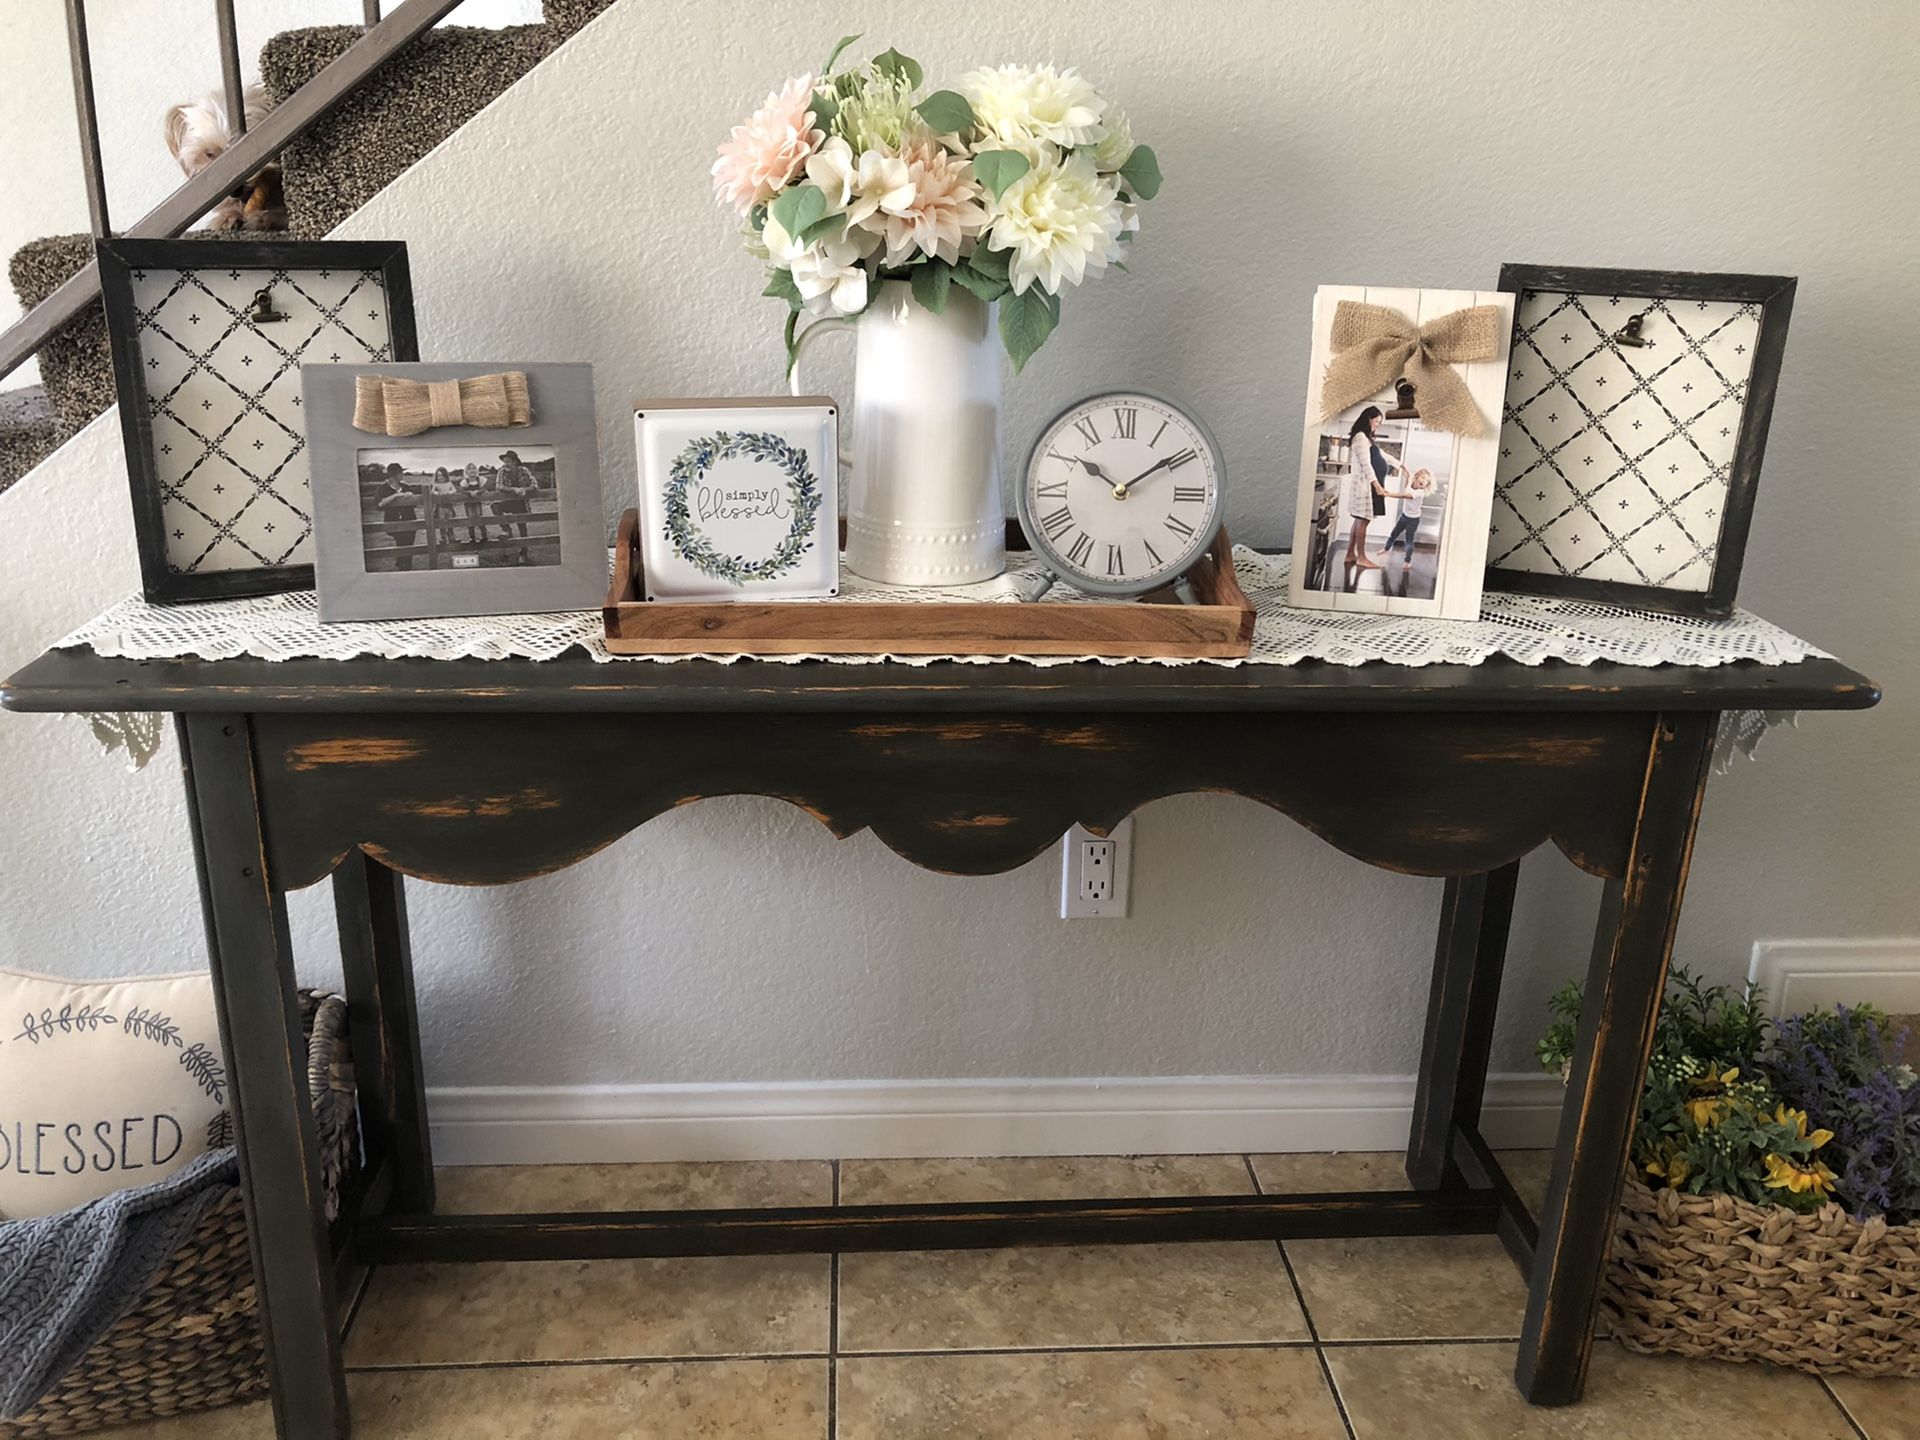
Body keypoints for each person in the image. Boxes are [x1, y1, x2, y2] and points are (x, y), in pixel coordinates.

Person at [1341, 407, 1418, 575]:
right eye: (1377, 421)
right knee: (1363, 520)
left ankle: (1349, 554)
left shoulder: (1366, 438)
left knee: (1359, 520)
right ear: (1368, 418)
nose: (1378, 425)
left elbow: (1382, 455)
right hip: (1364, 486)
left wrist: (1401, 465)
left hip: (1366, 485)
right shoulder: (1361, 437)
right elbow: (1366, 464)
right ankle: (1361, 557)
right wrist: (1376, 485)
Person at [371, 472, 419, 570]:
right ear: (393, 475)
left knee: (409, 542)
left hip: (409, 518)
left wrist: (409, 496)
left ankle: (406, 565)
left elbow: (414, 502)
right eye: (400, 473)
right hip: (393, 520)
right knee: (401, 541)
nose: (402, 475)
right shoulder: (383, 488)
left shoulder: (405, 486)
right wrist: (395, 496)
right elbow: (380, 504)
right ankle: (401, 564)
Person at [1383, 468, 1433, 562]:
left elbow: (1405, 495)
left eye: (1427, 481)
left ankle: (1407, 561)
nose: (1424, 481)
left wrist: (1389, 494)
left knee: (1408, 541)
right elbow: (1408, 480)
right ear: (1417, 477)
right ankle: (1386, 548)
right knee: (1394, 534)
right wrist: (1404, 470)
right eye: (1423, 478)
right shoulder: (1410, 485)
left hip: (1413, 520)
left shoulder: (1420, 493)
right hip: (1404, 516)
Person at [428, 466, 459, 556]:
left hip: (448, 505)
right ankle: (443, 538)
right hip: (440, 505)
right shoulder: (436, 484)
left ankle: (452, 537)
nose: (440, 477)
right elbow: (432, 492)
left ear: (445, 476)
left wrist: (450, 492)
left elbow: (454, 490)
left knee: (450, 521)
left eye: (442, 475)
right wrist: (436, 492)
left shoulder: (448, 483)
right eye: (438, 476)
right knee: (442, 522)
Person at [459, 461, 490, 545]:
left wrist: (477, 491)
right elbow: (461, 490)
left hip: (477, 502)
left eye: (474, 468)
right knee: (470, 519)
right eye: (469, 469)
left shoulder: (480, 480)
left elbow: (485, 488)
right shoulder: (465, 482)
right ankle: (472, 538)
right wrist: (469, 492)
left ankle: (484, 537)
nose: (472, 470)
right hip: (468, 503)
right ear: (466, 472)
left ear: (476, 470)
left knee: (479, 517)